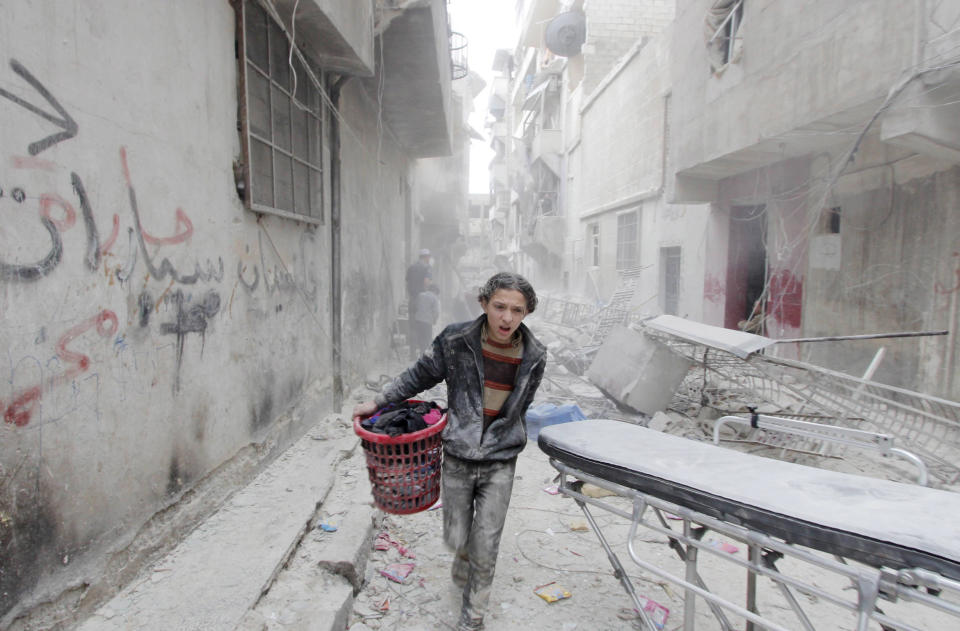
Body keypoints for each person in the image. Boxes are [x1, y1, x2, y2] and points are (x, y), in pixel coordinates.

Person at [353, 272, 546, 631]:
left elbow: (521, 405)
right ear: (484, 304)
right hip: (457, 454)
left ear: (526, 312)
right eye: (500, 307)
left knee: (486, 542)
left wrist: (506, 435)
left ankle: (472, 618)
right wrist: (377, 401)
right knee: (458, 535)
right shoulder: (456, 341)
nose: (507, 318)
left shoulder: (535, 356)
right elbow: (419, 375)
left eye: (516, 310)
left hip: (500, 460)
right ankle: (463, 566)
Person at [409, 277, 441, 359]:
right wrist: (434, 320)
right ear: (435, 291)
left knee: (420, 338)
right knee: (427, 339)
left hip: (418, 320)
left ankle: (421, 354)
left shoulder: (420, 295)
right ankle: (425, 357)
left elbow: (415, 306)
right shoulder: (435, 298)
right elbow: (436, 312)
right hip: (427, 322)